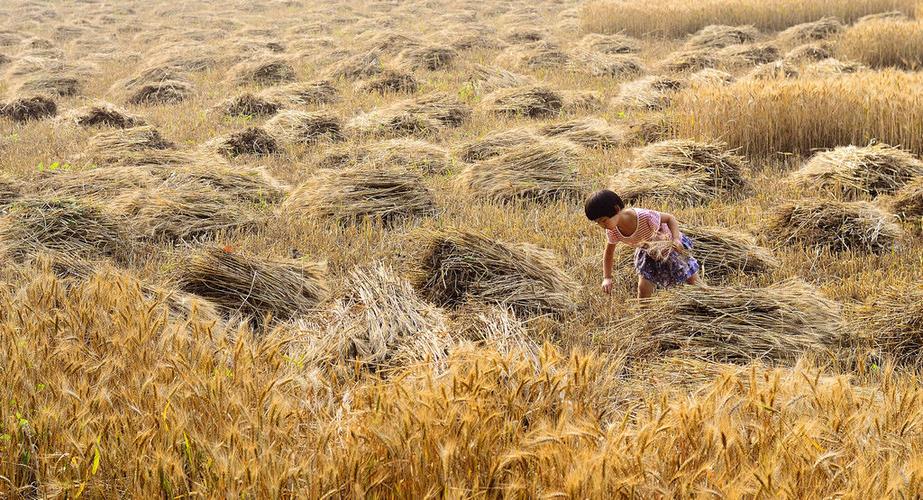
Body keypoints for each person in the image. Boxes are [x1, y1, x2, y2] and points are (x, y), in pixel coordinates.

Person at [584, 189, 700, 298]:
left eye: (604, 220)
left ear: (616, 209)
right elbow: (609, 253)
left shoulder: (645, 217)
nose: (602, 225)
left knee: (690, 277)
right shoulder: (612, 231)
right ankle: (644, 313)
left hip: (668, 245)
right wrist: (607, 277)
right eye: (597, 222)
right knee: (643, 287)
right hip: (647, 250)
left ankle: (704, 298)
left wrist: (676, 239)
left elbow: (670, 218)